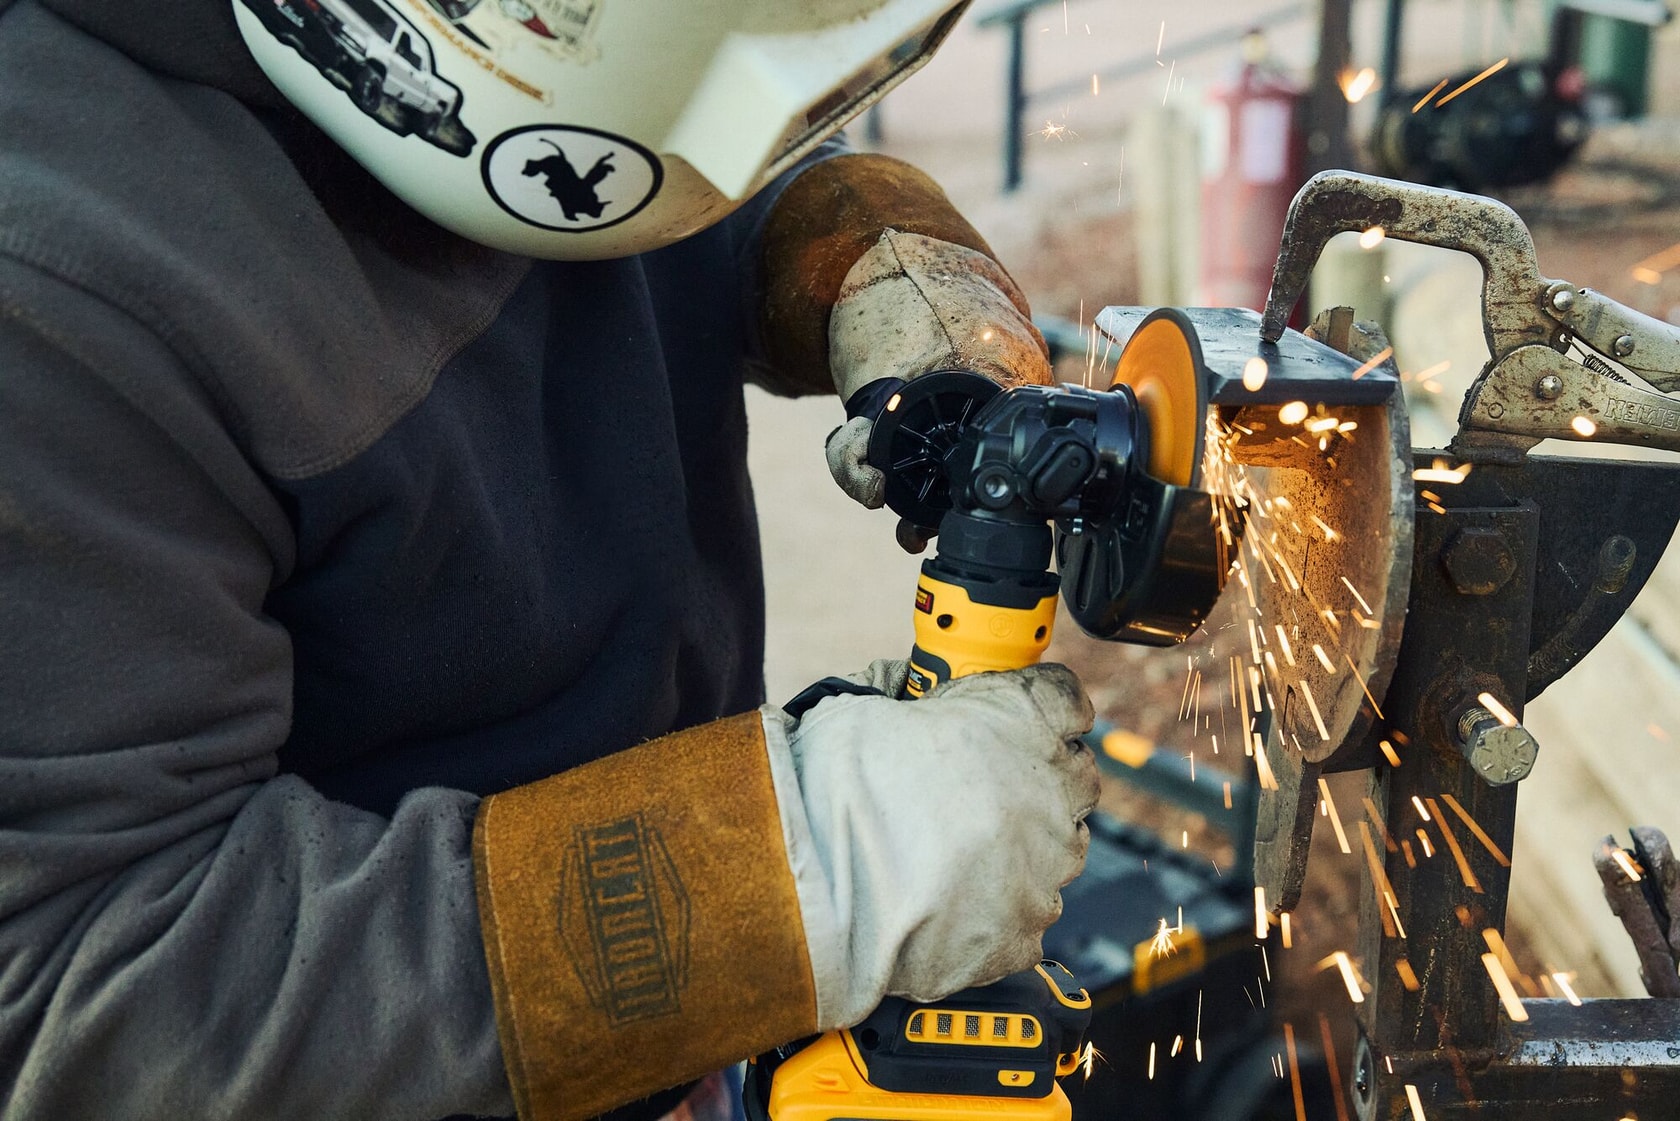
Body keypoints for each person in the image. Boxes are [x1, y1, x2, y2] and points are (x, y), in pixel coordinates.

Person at [0, 2, 1101, 1119]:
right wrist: (787, 875)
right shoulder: (48, 285)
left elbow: (665, 123)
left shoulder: (547, 53)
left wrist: (851, 245)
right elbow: (87, 989)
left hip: (683, 1047)